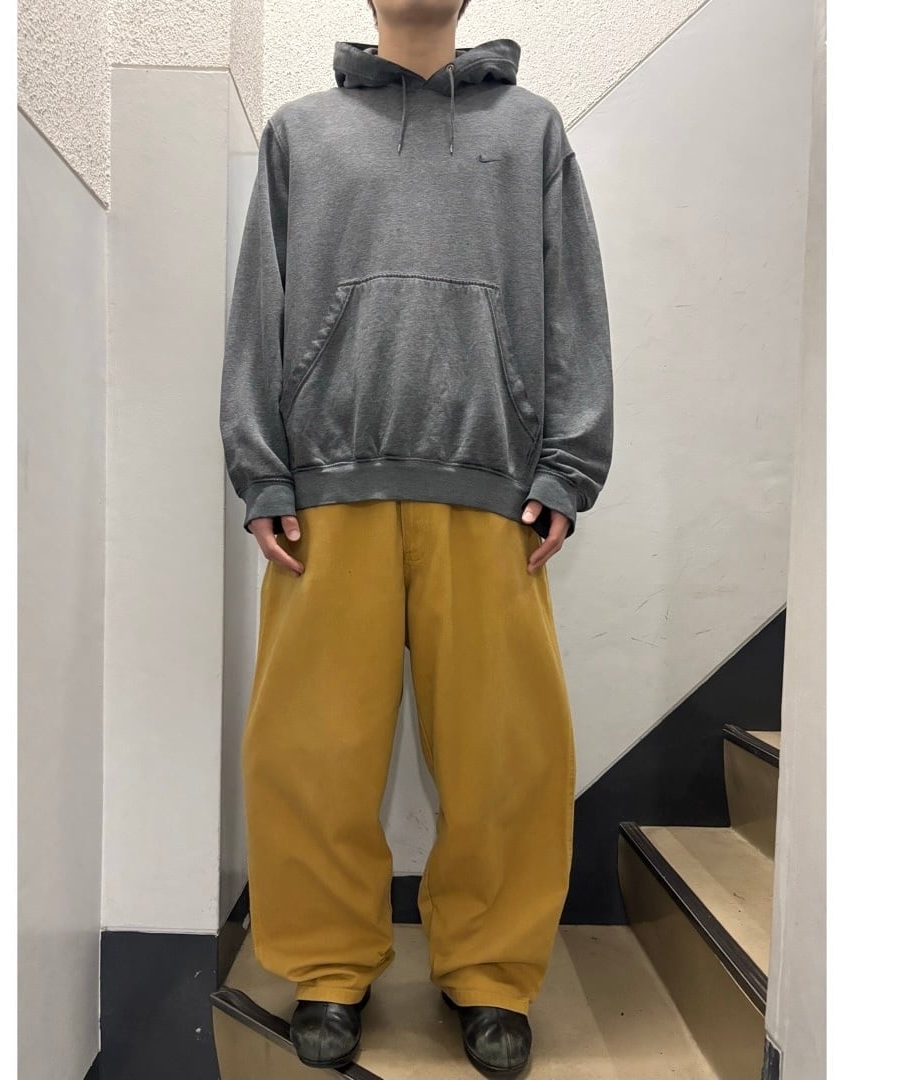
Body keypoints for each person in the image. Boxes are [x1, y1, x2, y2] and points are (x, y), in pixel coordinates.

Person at [219, 0, 613, 1072]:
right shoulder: (300, 134)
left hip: (492, 492)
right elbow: (258, 306)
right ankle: (326, 967)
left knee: (507, 755)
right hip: (324, 493)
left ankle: (490, 973)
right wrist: (262, 472)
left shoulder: (530, 129)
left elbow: (574, 301)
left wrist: (568, 467)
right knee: (310, 750)